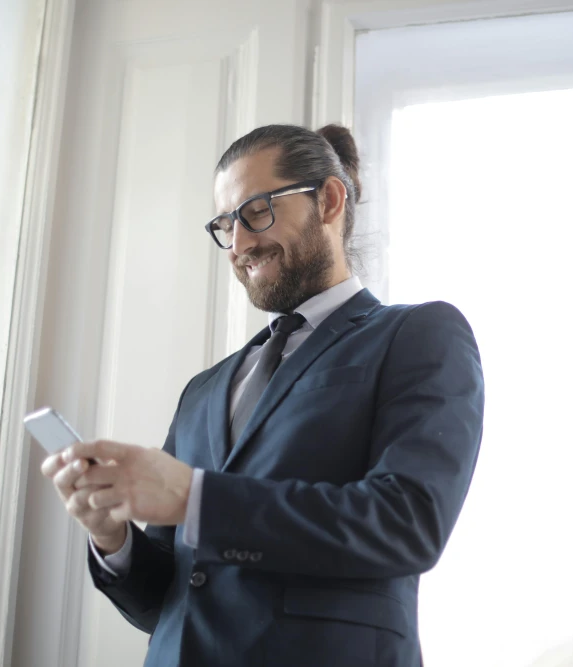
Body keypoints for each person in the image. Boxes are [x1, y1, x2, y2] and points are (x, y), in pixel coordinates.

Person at [42, 123, 485, 667]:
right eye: (225, 224)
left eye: (256, 211)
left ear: (328, 199)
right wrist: (113, 538)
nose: (239, 244)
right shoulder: (203, 390)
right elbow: (168, 602)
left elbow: (408, 523)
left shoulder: (419, 334)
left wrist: (195, 498)